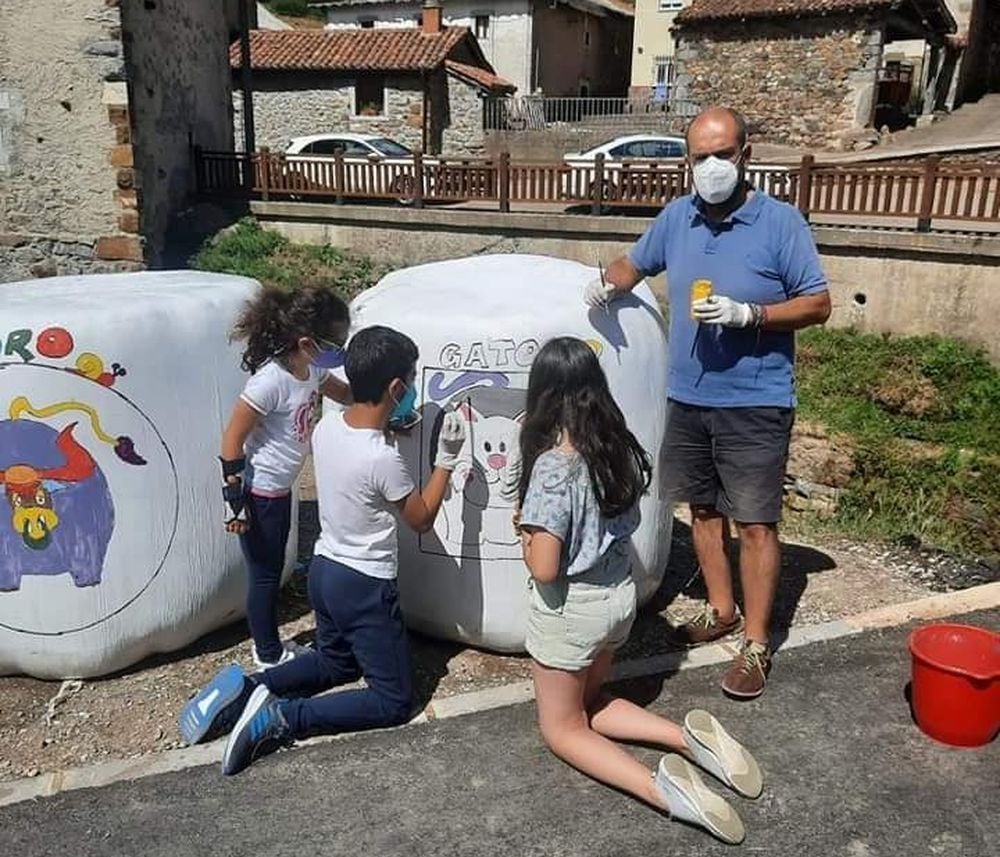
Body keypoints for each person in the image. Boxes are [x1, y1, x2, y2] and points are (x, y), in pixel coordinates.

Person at [584, 106, 831, 700]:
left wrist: (755, 315)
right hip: (688, 396)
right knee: (701, 512)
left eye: (723, 154)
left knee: (754, 524)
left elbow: (818, 303)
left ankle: (754, 641)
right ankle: (719, 609)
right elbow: (634, 262)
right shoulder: (678, 218)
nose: (712, 166)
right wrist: (603, 282)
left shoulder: (780, 223)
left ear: (745, 155)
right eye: (700, 156)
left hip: (754, 400)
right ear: (688, 161)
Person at [180, 325, 467, 776]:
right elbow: (421, 518)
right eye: (410, 381)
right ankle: (281, 717)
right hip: (364, 585)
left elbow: (364, 448)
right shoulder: (383, 458)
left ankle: (248, 689)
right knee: (392, 701)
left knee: (335, 663)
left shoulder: (328, 427)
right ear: (396, 387)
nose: (411, 389)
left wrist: (390, 424)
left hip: (325, 572)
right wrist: (446, 460)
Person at [513, 336, 761, 845]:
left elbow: (544, 568)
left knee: (563, 729)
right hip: (618, 600)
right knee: (593, 699)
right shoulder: (617, 446)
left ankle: (663, 790)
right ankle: (690, 741)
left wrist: (523, 529)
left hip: (571, 611)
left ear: (542, 394)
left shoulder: (554, 465)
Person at [220, 284, 352, 669]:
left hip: (281, 488)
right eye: (335, 344)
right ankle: (267, 654)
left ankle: (269, 647)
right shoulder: (269, 382)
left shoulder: (309, 369)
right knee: (264, 576)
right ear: (307, 341)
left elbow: (342, 392)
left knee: (274, 569)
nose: (337, 352)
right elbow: (231, 440)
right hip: (261, 493)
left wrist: (378, 399)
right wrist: (235, 502)